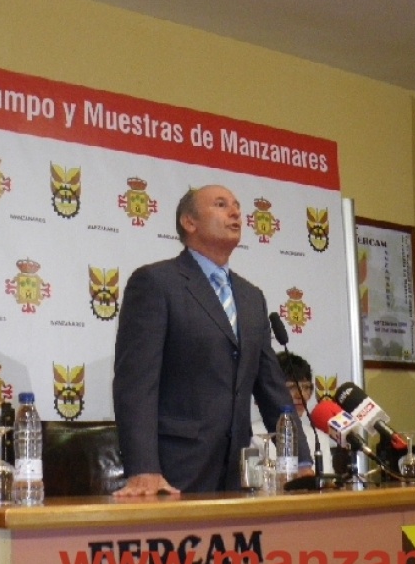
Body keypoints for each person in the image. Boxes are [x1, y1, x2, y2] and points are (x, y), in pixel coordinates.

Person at [112, 184, 311, 496]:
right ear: (189, 222)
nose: (235, 212)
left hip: (239, 470)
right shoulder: (156, 283)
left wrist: (299, 460)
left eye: (236, 205)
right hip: (174, 469)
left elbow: (272, 386)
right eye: (221, 205)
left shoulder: (251, 297)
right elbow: (136, 384)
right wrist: (143, 468)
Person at [251, 351, 322, 475]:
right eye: (291, 387)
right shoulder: (252, 436)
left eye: (306, 387)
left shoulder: (318, 436)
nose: (300, 395)